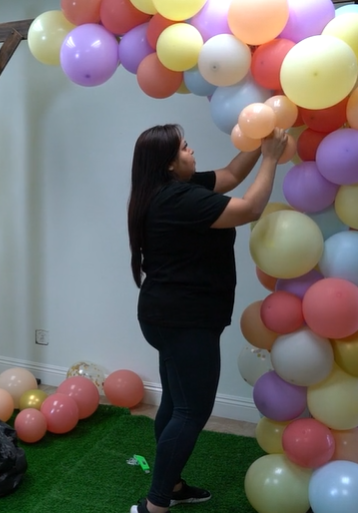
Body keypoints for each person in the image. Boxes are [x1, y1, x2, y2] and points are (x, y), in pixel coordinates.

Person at [126, 124, 288, 513]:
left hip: (166, 315)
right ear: (169, 163)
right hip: (184, 319)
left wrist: (259, 139)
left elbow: (232, 175)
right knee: (191, 410)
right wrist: (271, 158)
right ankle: (155, 505)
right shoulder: (177, 199)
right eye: (185, 147)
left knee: (178, 402)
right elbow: (249, 208)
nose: (192, 150)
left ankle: (172, 483)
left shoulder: (166, 189)